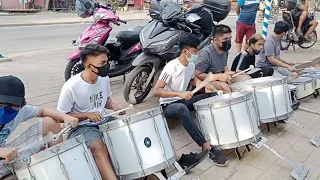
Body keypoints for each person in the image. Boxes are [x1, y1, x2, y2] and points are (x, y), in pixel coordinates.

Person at [153, 34, 230, 170]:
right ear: (185, 51)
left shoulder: (190, 65)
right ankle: (205, 146)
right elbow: (157, 90)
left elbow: (192, 80)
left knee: (212, 95)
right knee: (182, 109)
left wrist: (204, 85)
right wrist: (179, 93)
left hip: (182, 100)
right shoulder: (171, 67)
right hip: (168, 105)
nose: (197, 54)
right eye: (195, 51)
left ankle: (220, 131)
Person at [57, 44, 126, 180]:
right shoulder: (71, 86)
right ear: (89, 66)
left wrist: (114, 105)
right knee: (98, 147)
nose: (107, 66)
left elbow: (106, 100)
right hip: (81, 128)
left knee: (128, 130)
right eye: (102, 63)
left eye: (107, 61)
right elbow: (61, 117)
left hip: (104, 119)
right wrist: (87, 115)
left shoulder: (103, 78)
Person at [0, 75, 79, 179]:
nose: (4, 109)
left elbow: (43, 111)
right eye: (1, 104)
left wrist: (65, 117)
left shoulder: (21, 111)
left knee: (50, 123)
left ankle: (60, 168)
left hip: (8, 156)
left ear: (21, 106)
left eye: (11, 105)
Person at [195, 24, 251, 94]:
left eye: (230, 38)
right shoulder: (206, 53)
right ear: (215, 40)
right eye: (225, 39)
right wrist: (218, 77)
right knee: (224, 87)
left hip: (221, 77)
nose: (228, 41)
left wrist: (229, 73)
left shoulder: (225, 50)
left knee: (246, 79)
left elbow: (224, 66)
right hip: (208, 81)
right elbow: (197, 74)